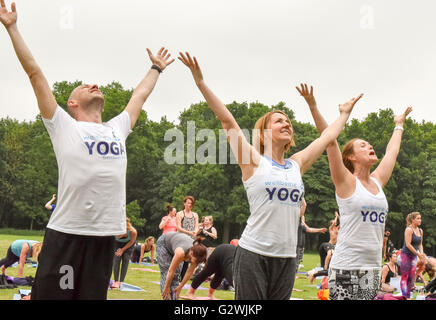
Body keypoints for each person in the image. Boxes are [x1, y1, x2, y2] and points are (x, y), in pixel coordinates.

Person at [0, 1, 174, 299]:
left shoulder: (117, 127)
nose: (93, 84)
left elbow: (139, 95)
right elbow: (35, 74)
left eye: (93, 85)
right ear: (72, 103)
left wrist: (156, 67)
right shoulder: (63, 126)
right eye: (84, 86)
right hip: (66, 234)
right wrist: (12, 27)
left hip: (102, 238)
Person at [179, 53, 361, 300]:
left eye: (288, 122)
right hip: (253, 254)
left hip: (287, 258)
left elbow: (327, 138)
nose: (287, 124)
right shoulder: (253, 161)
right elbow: (227, 120)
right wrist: (200, 82)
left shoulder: (296, 164)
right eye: (279, 121)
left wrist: (343, 114)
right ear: (264, 133)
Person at [299, 83, 412, 300]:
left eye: (369, 144)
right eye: (363, 145)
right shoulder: (346, 182)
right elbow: (329, 141)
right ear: (351, 156)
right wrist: (315, 106)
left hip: (372, 270)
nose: (370, 146)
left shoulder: (377, 181)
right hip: (346, 270)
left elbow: (392, 151)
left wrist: (399, 125)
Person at [156, 232, 207, 300]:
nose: (195, 263)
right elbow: (171, 271)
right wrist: (166, 288)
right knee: (166, 274)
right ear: (191, 253)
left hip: (177, 243)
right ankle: (166, 298)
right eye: (195, 260)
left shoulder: (197, 256)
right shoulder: (181, 252)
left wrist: (180, 287)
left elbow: (189, 272)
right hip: (164, 244)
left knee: (176, 275)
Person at [296, 198, 327, 273]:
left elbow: (309, 229)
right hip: (295, 245)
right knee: (294, 263)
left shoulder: (301, 222)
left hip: (301, 245)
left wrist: (319, 230)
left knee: (297, 263)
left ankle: (293, 275)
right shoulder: (295, 219)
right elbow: (304, 205)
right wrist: (301, 196)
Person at [400, 212, 426, 299]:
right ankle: (405, 296)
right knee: (405, 276)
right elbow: (408, 244)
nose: (420, 220)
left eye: (420, 218)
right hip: (406, 255)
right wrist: (418, 254)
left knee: (411, 277)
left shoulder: (420, 231)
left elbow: (420, 244)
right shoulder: (409, 229)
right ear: (413, 220)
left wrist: (421, 254)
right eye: (418, 218)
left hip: (414, 256)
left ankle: (407, 295)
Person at [176, 196, 200, 281]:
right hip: (181, 238)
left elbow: (197, 226)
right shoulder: (180, 214)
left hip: (191, 239)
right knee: (180, 258)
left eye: (191, 203)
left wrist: (195, 232)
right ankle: (175, 276)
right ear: (184, 203)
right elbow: (179, 227)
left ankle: (182, 278)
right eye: (188, 203)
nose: (190, 205)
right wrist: (189, 232)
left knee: (188, 259)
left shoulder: (195, 215)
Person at [112, 218, 137, 289]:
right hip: (117, 244)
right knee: (116, 260)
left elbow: (131, 242)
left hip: (128, 245)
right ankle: (116, 281)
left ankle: (121, 282)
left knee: (125, 260)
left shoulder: (133, 231)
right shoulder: (114, 230)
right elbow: (112, 240)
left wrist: (123, 250)